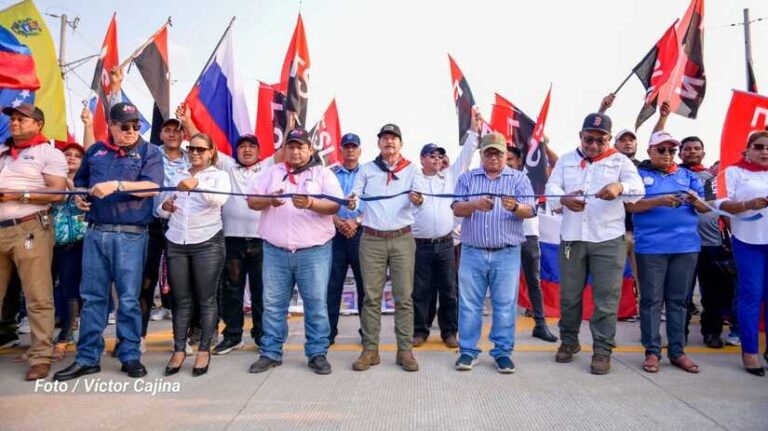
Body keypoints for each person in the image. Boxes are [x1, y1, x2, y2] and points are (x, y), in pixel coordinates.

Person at [54, 102, 163, 381]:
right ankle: (87, 357)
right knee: (93, 298)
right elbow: (81, 182)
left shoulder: (149, 151)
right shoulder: (95, 151)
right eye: (124, 126)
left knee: (128, 298)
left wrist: (117, 185)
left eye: (136, 125)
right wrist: (79, 197)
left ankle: (129, 355)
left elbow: (153, 187)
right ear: (111, 126)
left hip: (130, 234)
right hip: (96, 232)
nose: (131, 131)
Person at [546, 112, 644, 375]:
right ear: (580, 136)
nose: (593, 145)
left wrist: (619, 187)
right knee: (569, 295)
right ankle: (569, 341)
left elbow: (638, 187)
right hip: (573, 238)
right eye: (589, 139)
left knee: (606, 298)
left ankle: (602, 349)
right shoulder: (566, 160)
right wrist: (564, 199)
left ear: (608, 139)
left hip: (608, 239)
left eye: (601, 140)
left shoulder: (620, 160)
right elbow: (551, 189)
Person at [247, 128, 342, 375]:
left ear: (310, 149)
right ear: (285, 149)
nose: (295, 151)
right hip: (275, 250)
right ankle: (270, 352)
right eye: (291, 146)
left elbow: (335, 205)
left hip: (313, 252)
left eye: (300, 147)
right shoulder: (271, 172)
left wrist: (311, 203)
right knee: (272, 304)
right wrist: (269, 200)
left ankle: (317, 353)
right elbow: (251, 201)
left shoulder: (323, 174)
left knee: (316, 304)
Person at [451, 132, 535, 372]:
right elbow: (457, 208)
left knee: (505, 305)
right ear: (481, 154)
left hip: (506, 253)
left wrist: (516, 207)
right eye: (488, 153)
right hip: (472, 251)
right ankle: (468, 351)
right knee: (469, 304)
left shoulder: (519, 179)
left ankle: (502, 352)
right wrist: (474, 204)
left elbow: (531, 210)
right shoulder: (467, 178)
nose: (493, 157)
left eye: (498, 153)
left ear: (505, 154)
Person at [626, 131, 709, 374]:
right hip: (651, 248)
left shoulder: (688, 175)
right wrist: (659, 201)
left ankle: (677, 351)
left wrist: (695, 201)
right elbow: (630, 206)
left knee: (678, 301)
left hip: (685, 247)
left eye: (671, 150)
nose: (667, 154)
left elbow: (706, 208)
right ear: (649, 151)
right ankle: (652, 352)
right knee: (651, 300)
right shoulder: (638, 175)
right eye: (661, 150)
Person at [0, 104, 68, 380]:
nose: (15, 123)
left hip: (29, 228)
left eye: (21, 119)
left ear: (38, 124)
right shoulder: (3, 152)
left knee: (37, 295)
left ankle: (40, 356)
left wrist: (19, 195)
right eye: (13, 119)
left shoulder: (48, 153)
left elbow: (58, 193)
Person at [347, 123, 420, 372]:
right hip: (372, 239)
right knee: (371, 298)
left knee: (404, 298)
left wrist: (418, 199)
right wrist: (352, 201)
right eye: (385, 138)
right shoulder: (366, 169)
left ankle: (405, 351)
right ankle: (370, 350)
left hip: (402, 238)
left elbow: (419, 200)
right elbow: (356, 195)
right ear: (378, 143)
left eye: (394, 138)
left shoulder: (412, 169)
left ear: (401, 143)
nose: (389, 142)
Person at [157, 133, 230, 377]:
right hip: (176, 240)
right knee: (181, 299)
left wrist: (196, 183)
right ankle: (179, 349)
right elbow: (161, 208)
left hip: (207, 242)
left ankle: (204, 350)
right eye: (191, 148)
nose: (195, 153)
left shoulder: (219, 175)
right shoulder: (178, 174)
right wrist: (165, 207)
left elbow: (219, 199)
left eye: (201, 149)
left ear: (211, 152)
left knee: (206, 299)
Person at [411, 111, 479, 348]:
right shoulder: (413, 179)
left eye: (440, 155)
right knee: (421, 291)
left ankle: (449, 332)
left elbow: (467, 154)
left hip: (445, 244)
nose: (437, 159)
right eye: (432, 155)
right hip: (420, 245)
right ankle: (420, 331)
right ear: (422, 159)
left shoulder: (450, 176)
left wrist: (473, 130)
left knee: (449, 290)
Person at [213, 134, 274, 355]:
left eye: (252, 146)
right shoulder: (228, 166)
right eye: (242, 146)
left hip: (261, 240)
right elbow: (205, 144)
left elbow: (285, 149)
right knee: (232, 291)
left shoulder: (267, 167)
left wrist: (290, 122)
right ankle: (232, 336)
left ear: (259, 151)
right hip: (232, 240)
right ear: (236, 151)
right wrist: (188, 119)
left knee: (261, 291)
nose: (247, 150)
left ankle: (262, 336)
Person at [678, 136, 739, 348]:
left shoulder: (712, 179)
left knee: (712, 295)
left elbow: (723, 209)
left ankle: (712, 333)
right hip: (682, 244)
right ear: (680, 153)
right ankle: (679, 335)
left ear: (703, 153)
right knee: (681, 295)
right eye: (687, 149)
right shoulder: (675, 176)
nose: (692, 152)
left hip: (711, 244)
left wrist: (732, 237)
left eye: (696, 148)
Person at [717, 130, 768, 376]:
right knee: (751, 295)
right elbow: (720, 204)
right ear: (747, 149)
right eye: (759, 147)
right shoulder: (734, 171)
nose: (764, 151)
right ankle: (750, 352)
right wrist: (747, 205)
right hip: (749, 242)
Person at [505, 145, 558, 342]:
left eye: (511, 159)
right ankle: (504, 329)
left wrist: (543, 144)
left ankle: (540, 325)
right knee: (505, 284)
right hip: (505, 236)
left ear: (520, 161)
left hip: (528, 235)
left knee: (533, 281)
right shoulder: (494, 180)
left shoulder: (532, 177)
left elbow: (556, 164)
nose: (507, 162)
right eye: (504, 158)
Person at [327, 133, 366, 346]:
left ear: (360, 150)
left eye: (354, 147)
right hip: (335, 232)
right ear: (341, 150)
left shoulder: (369, 173)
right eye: (347, 147)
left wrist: (356, 221)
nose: (350, 150)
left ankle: (367, 332)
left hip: (361, 232)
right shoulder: (330, 173)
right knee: (332, 285)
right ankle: (328, 333)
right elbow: (323, 199)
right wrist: (336, 220)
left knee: (365, 285)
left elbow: (373, 202)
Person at [50, 141, 88, 362]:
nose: (71, 157)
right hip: (47, 243)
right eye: (67, 154)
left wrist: (70, 184)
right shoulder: (49, 180)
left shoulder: (85, 182)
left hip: (74, 244)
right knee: (45, 291)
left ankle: (64, 338)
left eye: (77, 155)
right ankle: (43, 340)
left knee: (69, 291)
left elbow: (84, 200)